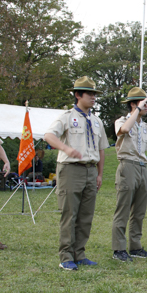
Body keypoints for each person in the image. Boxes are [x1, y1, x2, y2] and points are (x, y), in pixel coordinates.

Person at [45, 76, 109, 270]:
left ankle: (79, 254)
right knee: (69, 214)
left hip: (90, 170)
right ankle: (66, 256)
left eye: (95, 94)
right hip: (71, 169)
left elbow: (101, 149)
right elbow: (49, 136)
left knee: (85, 215)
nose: (93, 97)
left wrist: (99, 174)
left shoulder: (96, 121)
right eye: (89, 94)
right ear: (77, 95)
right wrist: (66, 148)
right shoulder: (67, 117)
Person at [111, 87, 147, 262]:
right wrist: (135, 112)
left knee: (139, 211)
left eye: (146, 104)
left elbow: (145, 150)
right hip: (127, 165)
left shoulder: (144, 126)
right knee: (123, 209)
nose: (146, 107)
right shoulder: (121, 121)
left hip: (142, 166)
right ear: (133, 104)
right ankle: (119, 249)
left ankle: (135, 246)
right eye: (143, 104)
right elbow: (123, 131)